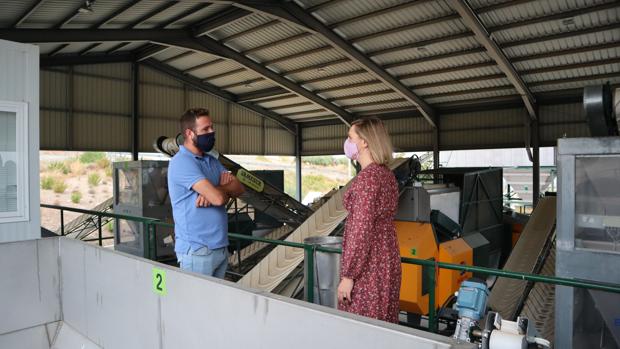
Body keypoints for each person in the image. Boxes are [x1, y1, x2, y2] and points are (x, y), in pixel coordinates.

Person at [336, 117, 401, 323]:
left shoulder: (367, 180)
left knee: (361, 326)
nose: (347, 142)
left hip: (369, 266)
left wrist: (348, 276)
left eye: (350, 137)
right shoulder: (386, 175)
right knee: (383, 323)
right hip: (387, 257)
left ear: (364, 142)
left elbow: (360, 230)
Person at [168, 108, 244, 278]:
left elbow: (239, 188)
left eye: (211, 127)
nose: (211, 132)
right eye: (205, 129)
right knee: (197, 304)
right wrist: (220, 191)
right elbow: (218, 200)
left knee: (216, 304)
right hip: (197, 251)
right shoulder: (181, 162)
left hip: (220, 247)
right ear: (190, 133)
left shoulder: (211, 160)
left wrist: (218, 189)